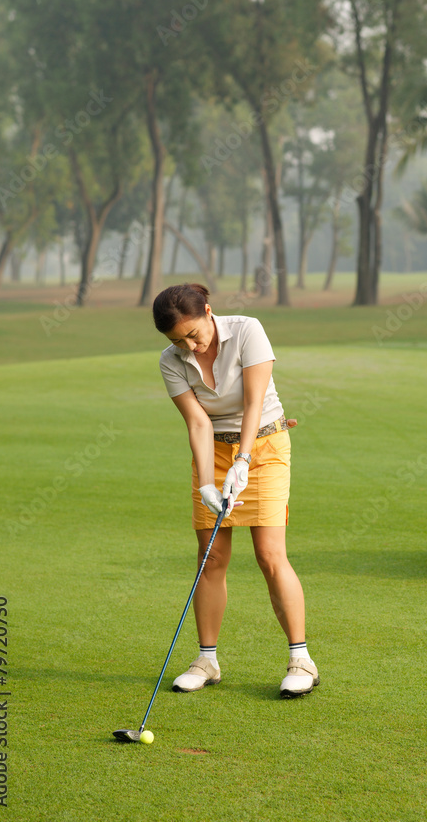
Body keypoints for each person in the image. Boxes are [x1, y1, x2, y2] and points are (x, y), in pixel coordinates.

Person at [152, 282, 318, 698]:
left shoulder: (247, 330)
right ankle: (206, 660)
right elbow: (197, 422)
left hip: (264, 447)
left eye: (193, 335)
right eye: (178, 341)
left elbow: (254, 402)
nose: (189, 347)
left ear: (208, 311)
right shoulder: (171, 360)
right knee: (210, 557)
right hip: (212, 451)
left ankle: (301, 660)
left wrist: (242, 461)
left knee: (269, 554)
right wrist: (208, 483)